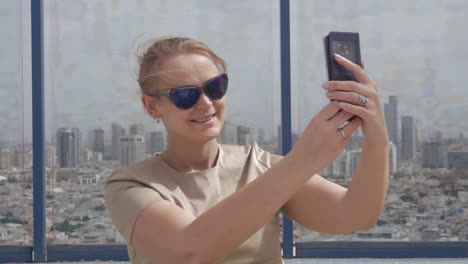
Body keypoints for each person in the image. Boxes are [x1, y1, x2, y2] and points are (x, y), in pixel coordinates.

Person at [104, 36, 389, 264]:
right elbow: (189, 252)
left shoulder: (259, 166)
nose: (206, 103)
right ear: (151, 106)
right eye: (186, 95)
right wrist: (305, 157)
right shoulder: (130, 186)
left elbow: (355, 214)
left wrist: (375, 133)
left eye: (215, 87)